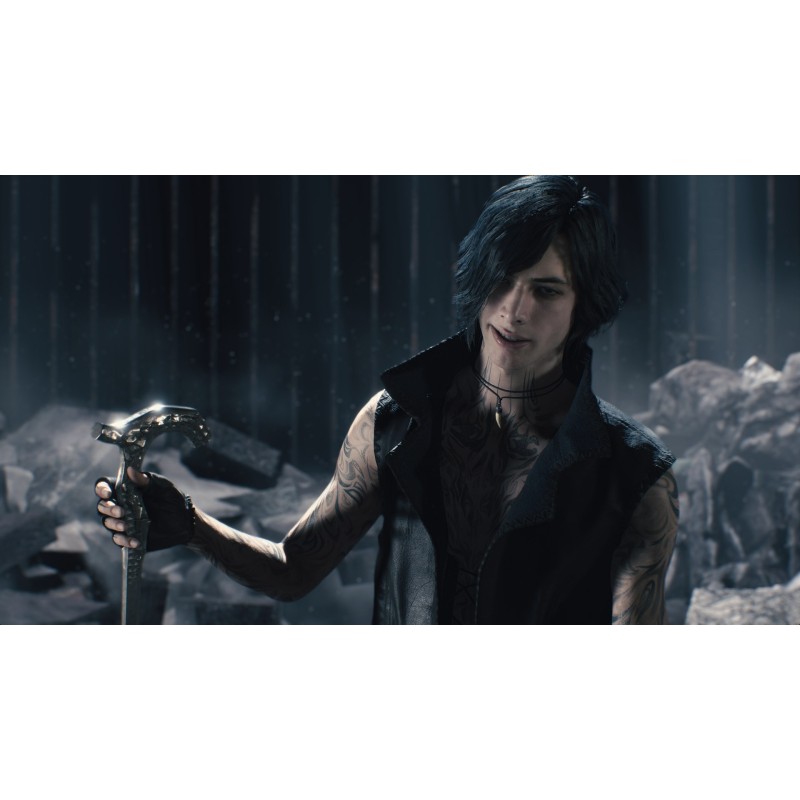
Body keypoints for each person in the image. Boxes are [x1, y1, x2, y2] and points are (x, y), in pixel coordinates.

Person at [96, 175, 679, 624]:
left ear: (584, 306)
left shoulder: (636, 479)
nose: (514, 310)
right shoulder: (395, 422)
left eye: (545, 291)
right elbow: (294, 570)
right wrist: (190, 524)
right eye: (501, 280)